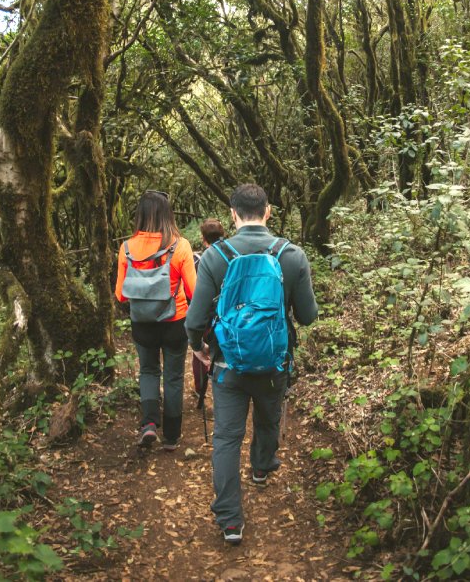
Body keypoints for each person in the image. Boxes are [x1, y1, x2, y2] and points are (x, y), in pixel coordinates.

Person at [185, 184, 318, 544]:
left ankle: (230, 520)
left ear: (233, 213)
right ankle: (261, 467)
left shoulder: (216, 256)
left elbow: (194, 319)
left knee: (227, 437)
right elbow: (307, 316)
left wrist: (197, 348)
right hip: (275, 363)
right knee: (268, 416)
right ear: (268, 211)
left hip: (228, 365)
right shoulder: (291, 255)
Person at [115, 190, 197, 450]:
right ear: (167, 214)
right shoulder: (180, 245)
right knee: (173, 377)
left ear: (140, 215)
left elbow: (120, 295)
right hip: (175, 321)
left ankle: (149, 424)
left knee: (148, 371)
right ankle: (171, 437)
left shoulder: (127, 248)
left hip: (143, 324)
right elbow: (194, 291)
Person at [191, 218, 226, 410]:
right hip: (224, 316)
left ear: (203, 239)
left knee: (199, 353)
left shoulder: (198, 260)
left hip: (204, 315)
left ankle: (200, 389)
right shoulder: (232, 256)